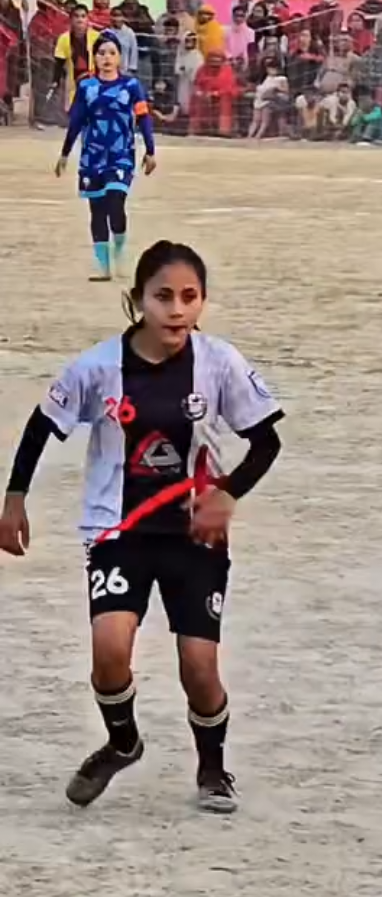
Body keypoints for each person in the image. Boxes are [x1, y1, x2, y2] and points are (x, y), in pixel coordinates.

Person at [0, 241, 284, 815]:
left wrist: (226, 495)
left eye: (189, 297)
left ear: (202, 302)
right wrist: (14, 500)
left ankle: (212, 767)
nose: (177, 310)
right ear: (138, 302)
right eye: (163, 297)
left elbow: (266, 441)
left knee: (198, 667)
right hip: (118, 531)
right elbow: (41, 425)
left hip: (194, 537)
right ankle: (123, 741)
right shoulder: (99, 367)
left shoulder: (219, 363)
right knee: (110, 651)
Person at [55, 31, 156, 282]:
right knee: (97, 211)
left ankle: (120, 253)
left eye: (112, 53)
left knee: (115, 202)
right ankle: (103, 266)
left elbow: (143, 117)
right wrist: (65, 153)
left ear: (120, 57)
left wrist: (151, 150)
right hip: (92, 157)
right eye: (101, 53)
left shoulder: (131, 86)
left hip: (121, 154)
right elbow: (77, 121)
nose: (107, 58)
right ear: (94, 57)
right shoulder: (86, 87)